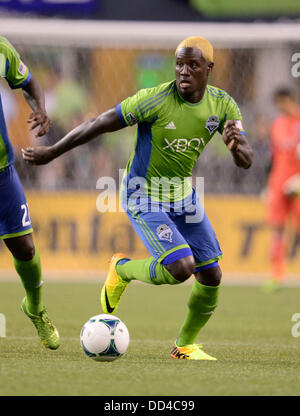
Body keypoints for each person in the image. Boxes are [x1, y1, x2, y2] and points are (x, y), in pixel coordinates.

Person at [23, 36, 253, 360]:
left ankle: (184, 345)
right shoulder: (155, 100)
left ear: (209, 69)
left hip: (182, 195)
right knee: (181, 266)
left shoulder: (223, 105)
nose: (184, 71)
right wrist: (53, 151)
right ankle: (123, 270)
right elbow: (99, 123)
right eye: (179, 63)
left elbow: (246, 159)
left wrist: (238, 147)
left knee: (211, 273)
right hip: (141, 193)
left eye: (193, 65)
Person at [0, 36, 59, 349]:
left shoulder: (1, 48)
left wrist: (40, 108)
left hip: (1, 172)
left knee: (24, 248)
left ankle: (35, 307)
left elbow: (30, 82)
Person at [263, 88, 300, 293]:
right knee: (277, 229)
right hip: (278, 182)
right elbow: (274, 156)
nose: (280, 107)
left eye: (282, 102)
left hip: (298, 183)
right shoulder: (277, 124)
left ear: (291, 99)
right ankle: (277, 275)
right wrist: (269, 185)